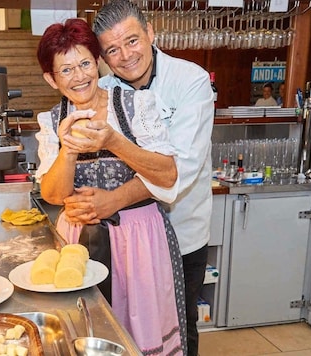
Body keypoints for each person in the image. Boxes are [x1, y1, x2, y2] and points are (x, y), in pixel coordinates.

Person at [57, 1, 215, 355]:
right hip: (124, 243)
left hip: (182, 229)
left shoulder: (190, 81)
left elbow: (181, 169)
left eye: (132, 41)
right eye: (112, 49)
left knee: (179, 328)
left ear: (150, 33)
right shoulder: (103, 88)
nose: (125, 56)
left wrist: (113, 200)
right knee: (121, 329)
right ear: (103, 57)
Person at [34, 18, 187, 355]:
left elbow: (167, 175)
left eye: (86, 63)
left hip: (139, 239)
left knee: (141, 333)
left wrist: (114, 141)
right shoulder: (51, 121)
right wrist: (69, 149)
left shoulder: (136, 105)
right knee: (82, 332)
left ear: (98, 62)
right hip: (78, 241)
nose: (80, 76)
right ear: (51, 78)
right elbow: (53, 195)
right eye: (67, 69)